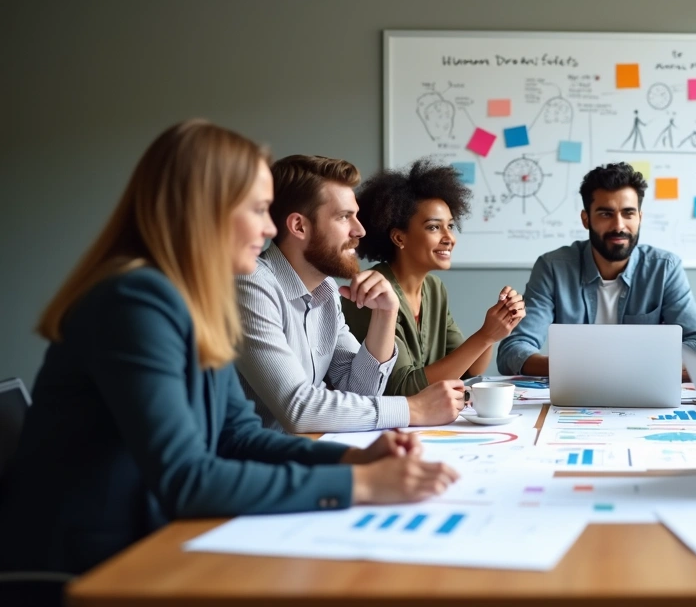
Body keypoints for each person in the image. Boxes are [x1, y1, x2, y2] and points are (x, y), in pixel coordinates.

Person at [0, 121, 458, 576]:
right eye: (259, 210)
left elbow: (237, 436)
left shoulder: (196, 298)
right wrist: (359, 483)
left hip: (146, 542)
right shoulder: (133, 301)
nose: (268, 227)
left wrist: (351, 457)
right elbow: (187, 478)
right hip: (85, 568)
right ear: (207, 210)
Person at [235, 156, 467, 433]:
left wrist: (385, 314)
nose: (360, 230)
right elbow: (297, 409)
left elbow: (360, 393)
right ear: (299, 226)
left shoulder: (327, 290)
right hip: (246, 465)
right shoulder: (251, 286)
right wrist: (414, 408)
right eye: (344, 217)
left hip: (302, 453)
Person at [497, 162, 696, 376]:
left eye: (628, 213)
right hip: (576, 392)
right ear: (586, 219)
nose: (619, 226)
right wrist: (576, 369)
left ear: (640, 217)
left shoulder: (665, 268)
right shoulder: (553, 268)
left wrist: (635, 367)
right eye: (605, 214)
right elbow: (513, 351)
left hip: (644, 390)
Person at [344, 160, 525, 396]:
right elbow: (403, 389)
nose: (449, 238)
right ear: (399, 238)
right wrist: (486, 335)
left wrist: (497, 328)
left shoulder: (434, 288)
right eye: (433, 227)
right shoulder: (372, 292)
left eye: (450, 226)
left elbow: (470, 369)